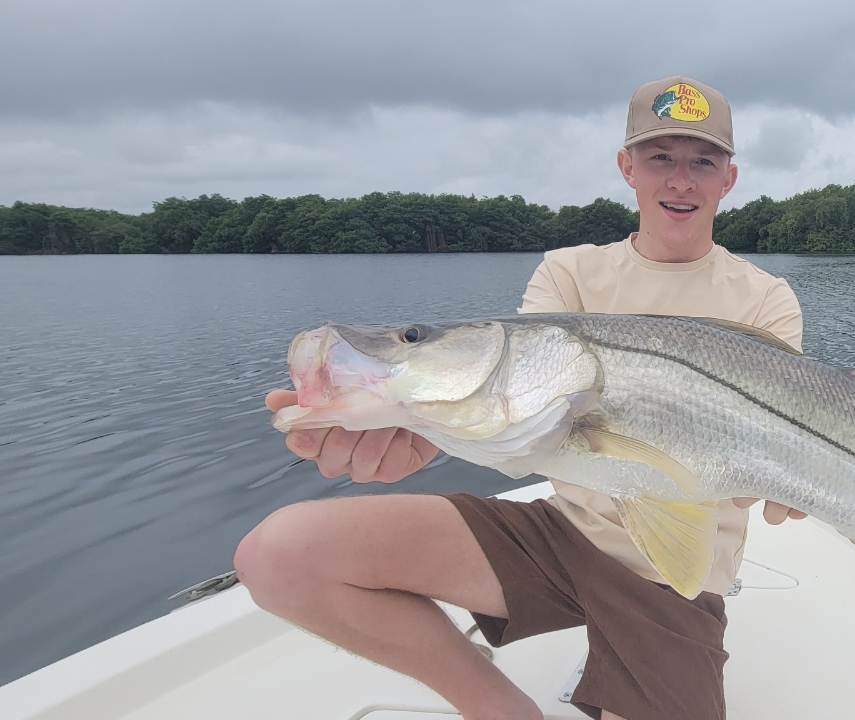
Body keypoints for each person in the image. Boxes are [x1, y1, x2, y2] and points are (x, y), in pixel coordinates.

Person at [233, 76, 806, 720]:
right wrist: (425, 430)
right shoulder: (570, 271)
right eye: (660, 158)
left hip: (677, 571)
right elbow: (525, 404)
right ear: (627, 168)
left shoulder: (764, 299)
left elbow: (769, 450)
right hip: (560, 534)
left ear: (728, 178)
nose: (681, 179)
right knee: (279, 555)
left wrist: (793, 479)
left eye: (703, 161)